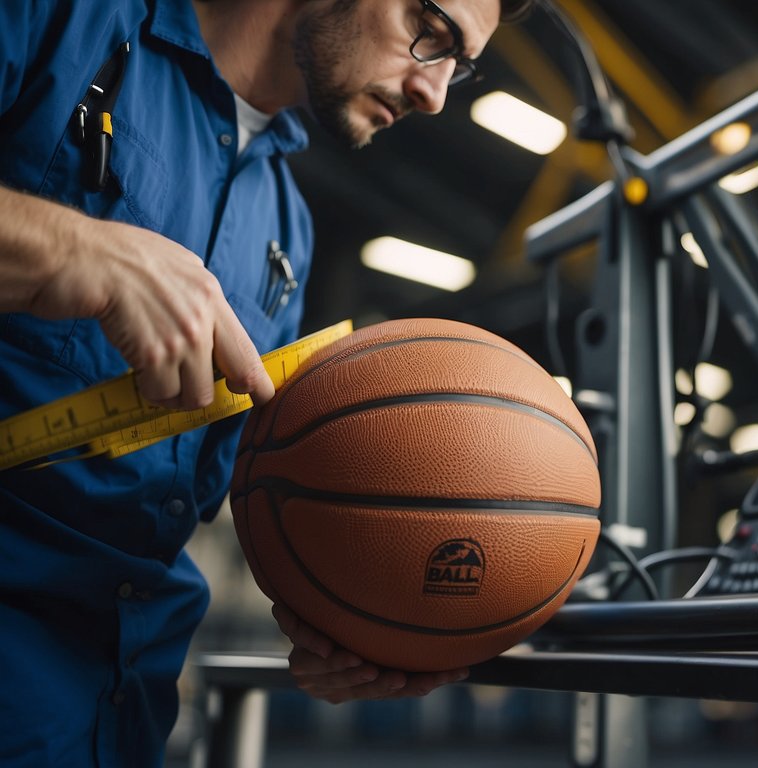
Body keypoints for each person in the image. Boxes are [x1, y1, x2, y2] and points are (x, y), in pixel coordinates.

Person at [0, 0, 531, 764]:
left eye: (460, 63)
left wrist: (346, 618)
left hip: (119, 718)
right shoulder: (63, 20)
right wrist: (65, 251)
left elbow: (258, 492)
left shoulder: (288, 229)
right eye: (431, 31)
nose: (435, 93)